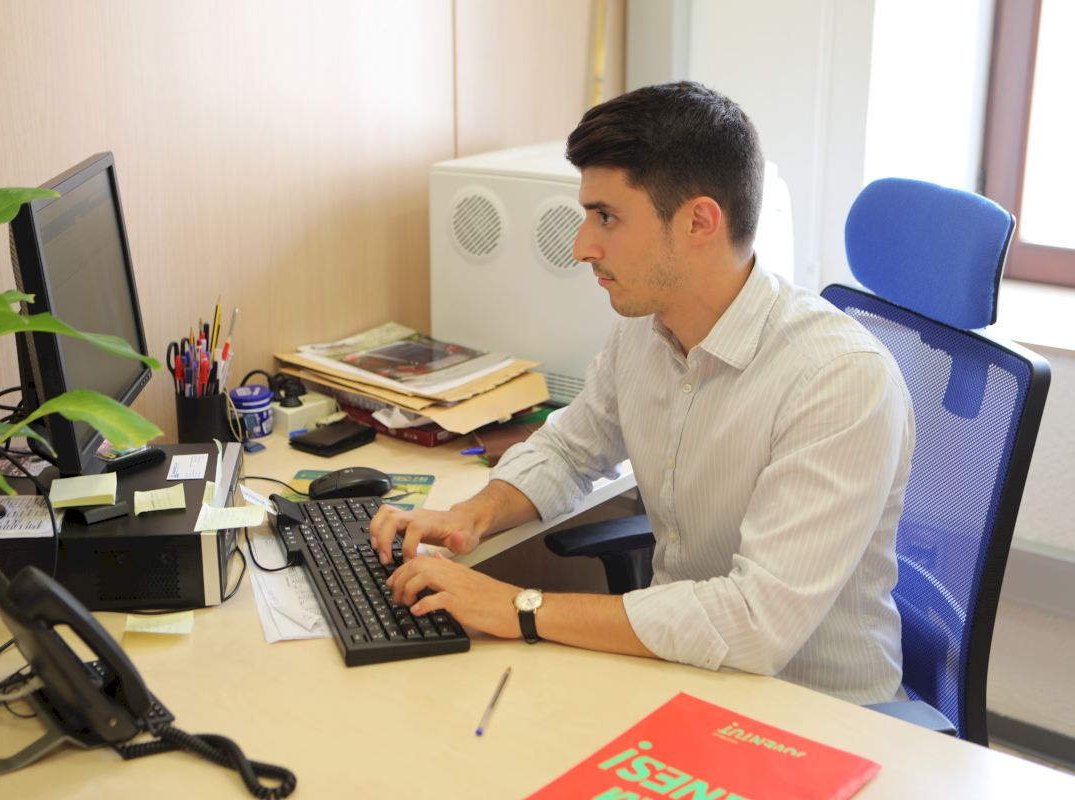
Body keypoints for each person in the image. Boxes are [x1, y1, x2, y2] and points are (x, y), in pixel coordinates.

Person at [369, 82, 914, 704]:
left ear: (699, 221)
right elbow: (569, 450)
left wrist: (519, 606)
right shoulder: (646, 329)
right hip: (679, 678)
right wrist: (471, 515)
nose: (582, 247)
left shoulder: (839, 380)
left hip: (813, 713)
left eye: (607, 217)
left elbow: (755, 623)